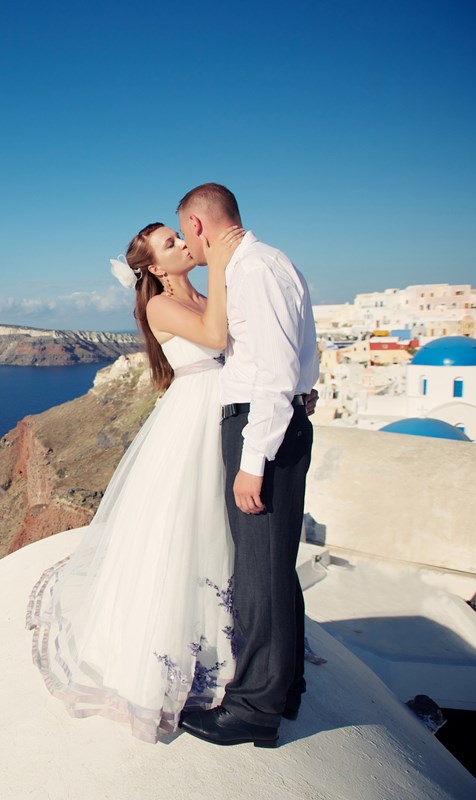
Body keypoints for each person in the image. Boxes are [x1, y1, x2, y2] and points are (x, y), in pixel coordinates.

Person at [26, 219, 243, 743]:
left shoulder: (202, 295)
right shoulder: (160, 305)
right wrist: (221, 261)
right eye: (170, 244)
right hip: (193, 421)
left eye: (179, 237)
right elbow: (216, 337)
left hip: (223, 415)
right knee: (184, 525)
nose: (182, 244)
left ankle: (230, 644)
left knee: (220, 527)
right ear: (152, 267)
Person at [175, 183, 319, 749]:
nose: (190, 244)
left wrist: (252, 460)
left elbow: (275, 373)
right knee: (275, 564)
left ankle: (255, 708)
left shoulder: (254, 270)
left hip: (261, 428)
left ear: (198, 226)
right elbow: (295, 355)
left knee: (258, 571)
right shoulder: (272, 262)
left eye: (186, 234)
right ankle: (287, 687)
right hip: (274, 423)